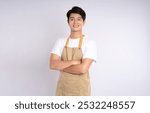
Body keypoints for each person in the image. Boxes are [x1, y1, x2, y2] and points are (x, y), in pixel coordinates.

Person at [50, 6, 97, 96]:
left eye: (79, 19)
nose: (75, 22)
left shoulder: (90, 43)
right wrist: (74, 62)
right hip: (62, 91)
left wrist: (60, 66)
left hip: (81, 92)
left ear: (84, 22)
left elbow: (82, 69)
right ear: (68, 22)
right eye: (72, 19)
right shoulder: (60, 41)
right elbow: (52, 64)